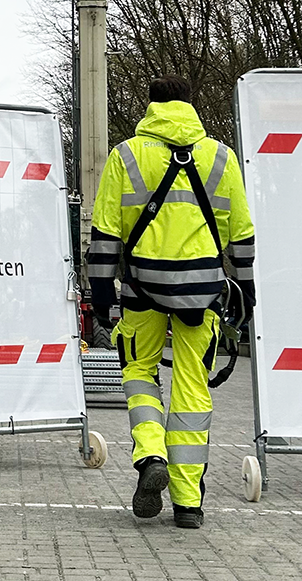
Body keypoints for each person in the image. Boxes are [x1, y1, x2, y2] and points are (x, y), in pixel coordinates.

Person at [86, 75, 255, 529]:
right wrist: (248, 293)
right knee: (192, 389)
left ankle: (151, 456)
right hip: (201, 296)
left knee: (139, 373)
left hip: (141, 291)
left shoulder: (126, 155)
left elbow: (104, 235)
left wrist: (101, 298)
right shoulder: (221, 156)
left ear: (151, 107)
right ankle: (188, 503)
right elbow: (241, 236)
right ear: (190, 105)